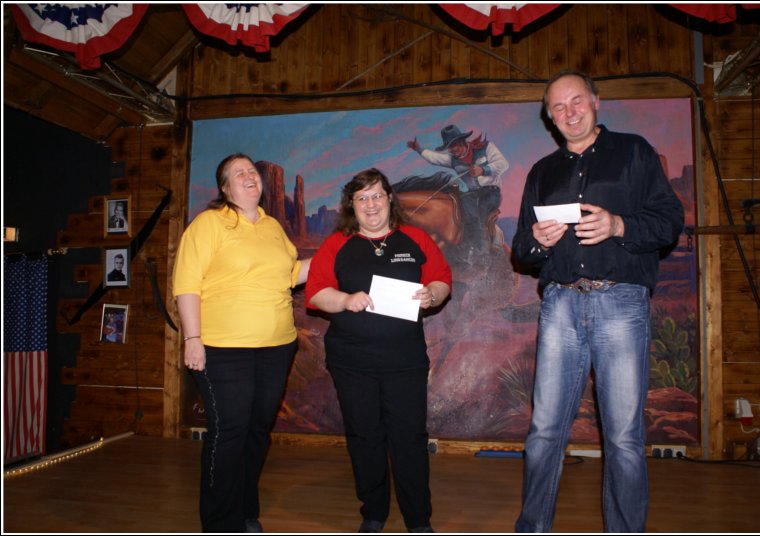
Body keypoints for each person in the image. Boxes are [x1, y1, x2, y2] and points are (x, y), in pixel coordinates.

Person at [511, 69, 684, 533]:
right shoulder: (542, 172)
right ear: (549, 117)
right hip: (560, 306)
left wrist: (619, 226)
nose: (568, 112)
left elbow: (669, 221)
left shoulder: (634, 152)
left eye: (576, 102)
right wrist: (538, 241)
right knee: (543, 433)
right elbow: (521, 252)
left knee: (624, 438)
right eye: (557, 108)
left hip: (620, 303)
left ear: (596, 101)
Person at [305, 168, 452, 533]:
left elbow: (442, 279)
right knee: (364, 436)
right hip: (352, 362)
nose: (370, 204)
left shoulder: (415, 238)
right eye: (362, 198)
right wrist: (345, 299)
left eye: (376, 195)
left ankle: (418, 518)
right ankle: (373, 513)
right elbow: (316, 293)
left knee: (409, 439)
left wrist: (432, 294)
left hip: (404, 362)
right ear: (351, 205)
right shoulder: (337, 243)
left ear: (389, 199)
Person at [172, 153, 311, 533]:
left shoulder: (272, 227)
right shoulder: (209, 224)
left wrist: (340, 255)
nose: (249, 176)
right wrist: (193, 338)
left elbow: (292, 273)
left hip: (277, 346)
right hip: (222, 348)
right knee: (229, 431)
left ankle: (246, 512)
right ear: (224, 187)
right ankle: (220, 523)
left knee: (255, 431)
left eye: (251, 171)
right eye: (238, 173)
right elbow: (186, 284)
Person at [407, 124, 508, 253]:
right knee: (467, 216)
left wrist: (483, 169)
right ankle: (472, 248)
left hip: (490, 191)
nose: (452, 150)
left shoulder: (486, 148)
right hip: (471, 193)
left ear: (462, 141)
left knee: (481, 214)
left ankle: (484, 252)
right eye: (449, 147)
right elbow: (435, 158)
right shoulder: (452, 159)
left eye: (454, 145)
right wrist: (419, 149)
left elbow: (503, 164)